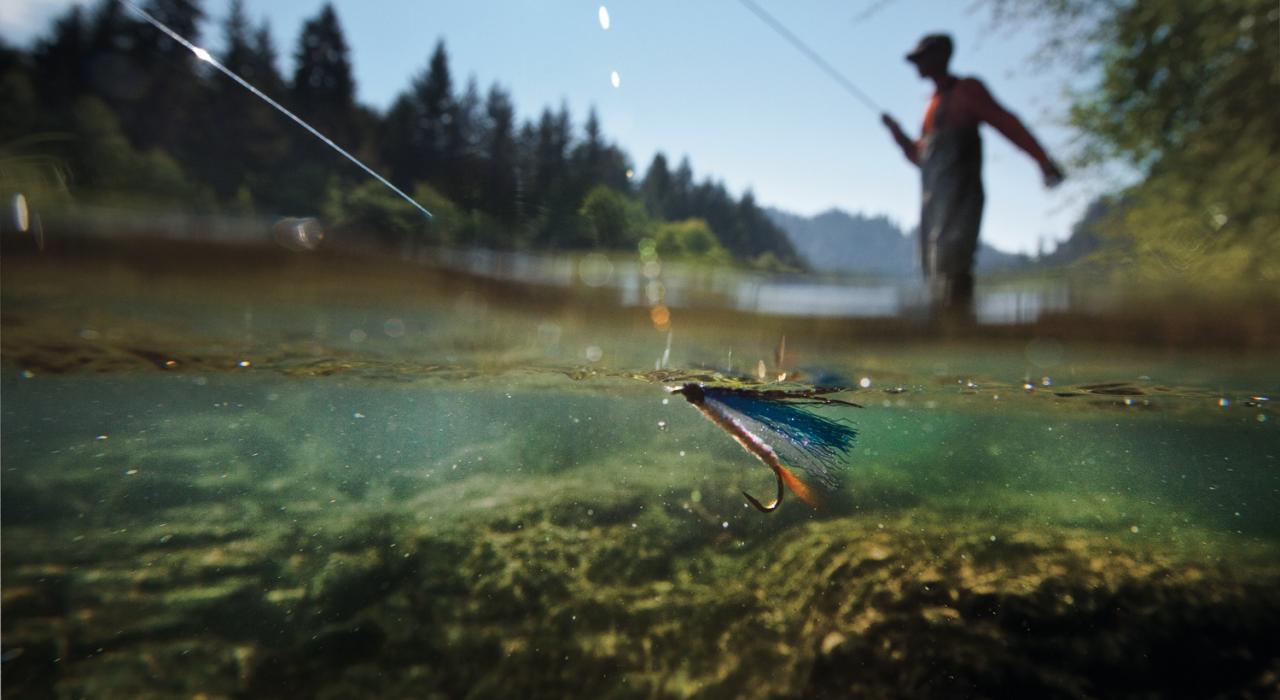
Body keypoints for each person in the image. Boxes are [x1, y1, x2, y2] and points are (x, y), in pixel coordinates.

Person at [881, 33, 1064, 312]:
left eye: (921, 57)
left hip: (960, 200)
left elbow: (1007, 124)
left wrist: (1043, 161)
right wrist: (898, 135)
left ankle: (959, 325)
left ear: (941, 56)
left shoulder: (967, 90)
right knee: (933, 267)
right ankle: (944, 329)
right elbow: (922, 158)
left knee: (953, 265)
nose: (916, 64)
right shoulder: (931, 106)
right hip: (934, 205)